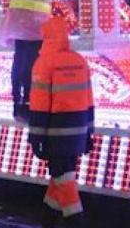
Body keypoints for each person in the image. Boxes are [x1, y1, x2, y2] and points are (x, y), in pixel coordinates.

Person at [0, 0, 78, 122]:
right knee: (32, 62)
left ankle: (17, 104)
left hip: (18, 14)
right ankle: (28, 104)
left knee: (20, 60)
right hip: (32, 17)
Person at [29, 16, 95, 227]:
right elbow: (89, 99)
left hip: (55, 134)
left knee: (64, 181)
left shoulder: (44, 63)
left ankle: (77, 221)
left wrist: (35, 137)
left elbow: (39, 105)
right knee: (61, 178)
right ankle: (46, 221)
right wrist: (89, 133)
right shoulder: (79, 60)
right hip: (79, 130)